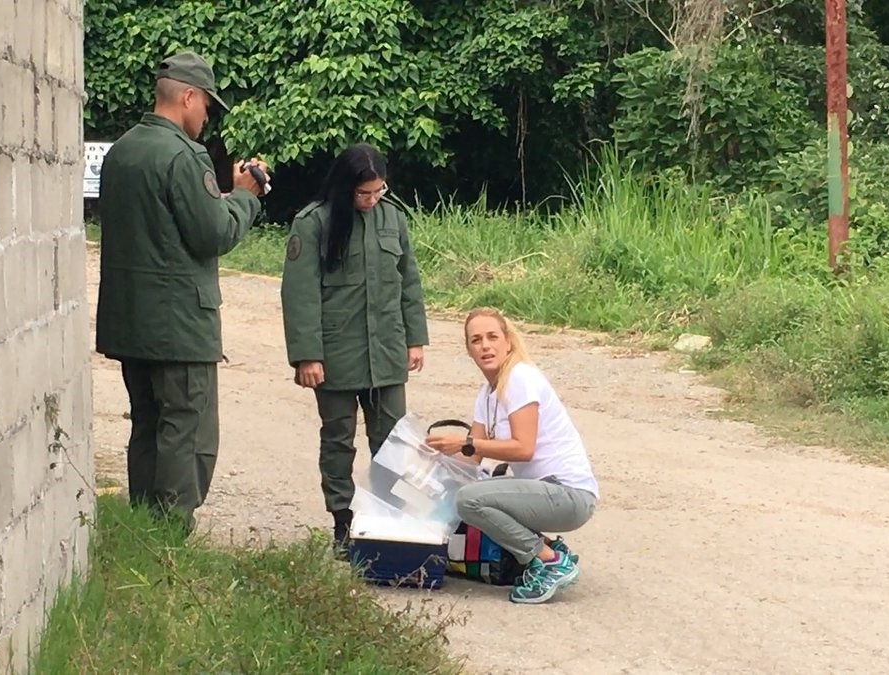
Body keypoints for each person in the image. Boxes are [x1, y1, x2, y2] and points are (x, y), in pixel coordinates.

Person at [94, 51, 270, 535]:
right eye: (206, 106)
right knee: (186, 430)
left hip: (130, 320)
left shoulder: (122, 151)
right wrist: (244, 196)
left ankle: (142, 526)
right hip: (179, 326)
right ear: (187, 96)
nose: (206, 116)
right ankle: (171, 531)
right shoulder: (183, 156)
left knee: (147, 425)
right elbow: (212, 233)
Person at [280, 143, 430, 553]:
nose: (371, 199)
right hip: (336, 354)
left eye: (377, 191)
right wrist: (307, 355)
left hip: (385, 351)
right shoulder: (313, 223)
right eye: (363, 193)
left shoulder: (392, 217)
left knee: (394, 440)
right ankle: (343, 520)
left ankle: (389, 518)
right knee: (338, 439)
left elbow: (408, 281)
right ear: (344, 187)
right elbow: (299, 294)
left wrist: (414, 339)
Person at [426, 307, 599, 604]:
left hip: (568, 494)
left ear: (508, 341)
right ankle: (551, 549)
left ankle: (548, 560)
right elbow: (470, 460)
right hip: (545, 493)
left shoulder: (520, 377)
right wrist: (429, 462)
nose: (485, 346)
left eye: (493, 337)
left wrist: (465, 443)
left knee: (470, 499)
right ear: (468, 350)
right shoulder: (486, 393)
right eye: (476, 340)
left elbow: (523, 447)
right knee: (468, 492)